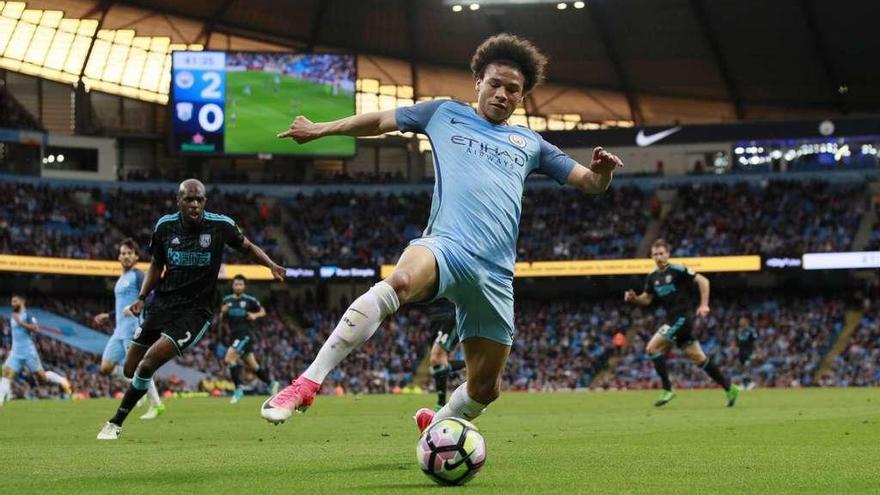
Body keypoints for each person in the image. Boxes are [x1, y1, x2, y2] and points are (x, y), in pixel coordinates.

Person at [262, 33, 623, 431]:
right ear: (478, 83)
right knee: (398, 282)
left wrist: (602, 172)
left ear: (522, 97)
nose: (502, 94)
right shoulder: (444, 113)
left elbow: (589, 182)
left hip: (496, 274)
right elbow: (381, 121)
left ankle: (438, 424)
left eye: (513, 90)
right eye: (496, 84)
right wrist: (321, 129)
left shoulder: (531, 144)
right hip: (446, 247)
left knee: (486, 389)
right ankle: (307, 382)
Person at [97, 179, 285, 439]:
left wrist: (271, 265)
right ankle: (140, 398)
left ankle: (115, 423)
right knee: (130, 368)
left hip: (195, 313)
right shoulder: (165, 226)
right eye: (189, 199)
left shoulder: (220, 226)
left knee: (147, 364)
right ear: (179, 201)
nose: (195, 204)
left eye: (199, 200)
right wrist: (142, 296)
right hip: (162, 304)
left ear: (205, 202)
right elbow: (155, 265)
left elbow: (248, 247)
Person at [624, 239, 739, 407]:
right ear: (651, 257)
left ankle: (668, 389)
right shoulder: (652, 277)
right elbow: (647, 299)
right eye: (655, 254)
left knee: (652, 348)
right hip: (672, 320)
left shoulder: (678, 270)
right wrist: (635, 298)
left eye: (661, 253)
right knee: (699, 358)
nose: (658, 257)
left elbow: (703, 281)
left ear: (668, 254)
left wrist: (704, 304)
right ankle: (729, 388)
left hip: (683, 318)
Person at [93, 238, 165, 419]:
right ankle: (137, 388)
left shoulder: (138, 275)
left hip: (132, 328)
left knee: (140, 367)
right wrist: (108, 316)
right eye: (122, 253)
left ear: (136, 257)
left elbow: (152, 295)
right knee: (106, 368)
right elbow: (122, 307)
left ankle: (157, 405)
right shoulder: (121, 279)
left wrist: (137, 305)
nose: (125, 256)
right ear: (118, 256)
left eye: (129, 253)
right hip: (119, 331)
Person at [0, 295, 72, 404]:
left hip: (29, 352)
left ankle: (62, 380)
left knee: (42, 379)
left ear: (22, 301)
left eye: (15, 301)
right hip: (15, 352)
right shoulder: (13, 315)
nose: (12, 304)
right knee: (6, 374)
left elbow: (35, 328)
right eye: (12, 302)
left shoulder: (28, 315)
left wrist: (20, 323)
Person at [220, 274, 278, 404]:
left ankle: (238, 389)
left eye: (240, 284)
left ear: (244, 286)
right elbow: (221, 318)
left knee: (229, 359)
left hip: (244, 334)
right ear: (232, 286)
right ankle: (271, 383)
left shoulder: (249, 300)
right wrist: (222, 312)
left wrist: (254, 315)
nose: (238, 286)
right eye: (236, 284)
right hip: (234, 335)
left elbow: (263, 311)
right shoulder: (227, 300)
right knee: (253, 365)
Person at [425, 299, 465, 410]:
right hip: (433, 315)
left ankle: (440, 405)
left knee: (436, 359)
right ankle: (473, 365)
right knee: (439, 363)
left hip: (450, 313)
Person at [735, 316, 758, 390]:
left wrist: (756, 352)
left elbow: (755, 342)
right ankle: (744, 383)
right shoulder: (739, 331)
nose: (741, 325)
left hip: (749, 351)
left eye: (742, 323)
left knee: (747, 366)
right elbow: (737, 342)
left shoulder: (751, 331)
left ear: (746, 323)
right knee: (742, 368)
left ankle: (750, 382)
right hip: (741, 351)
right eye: (740, 323)